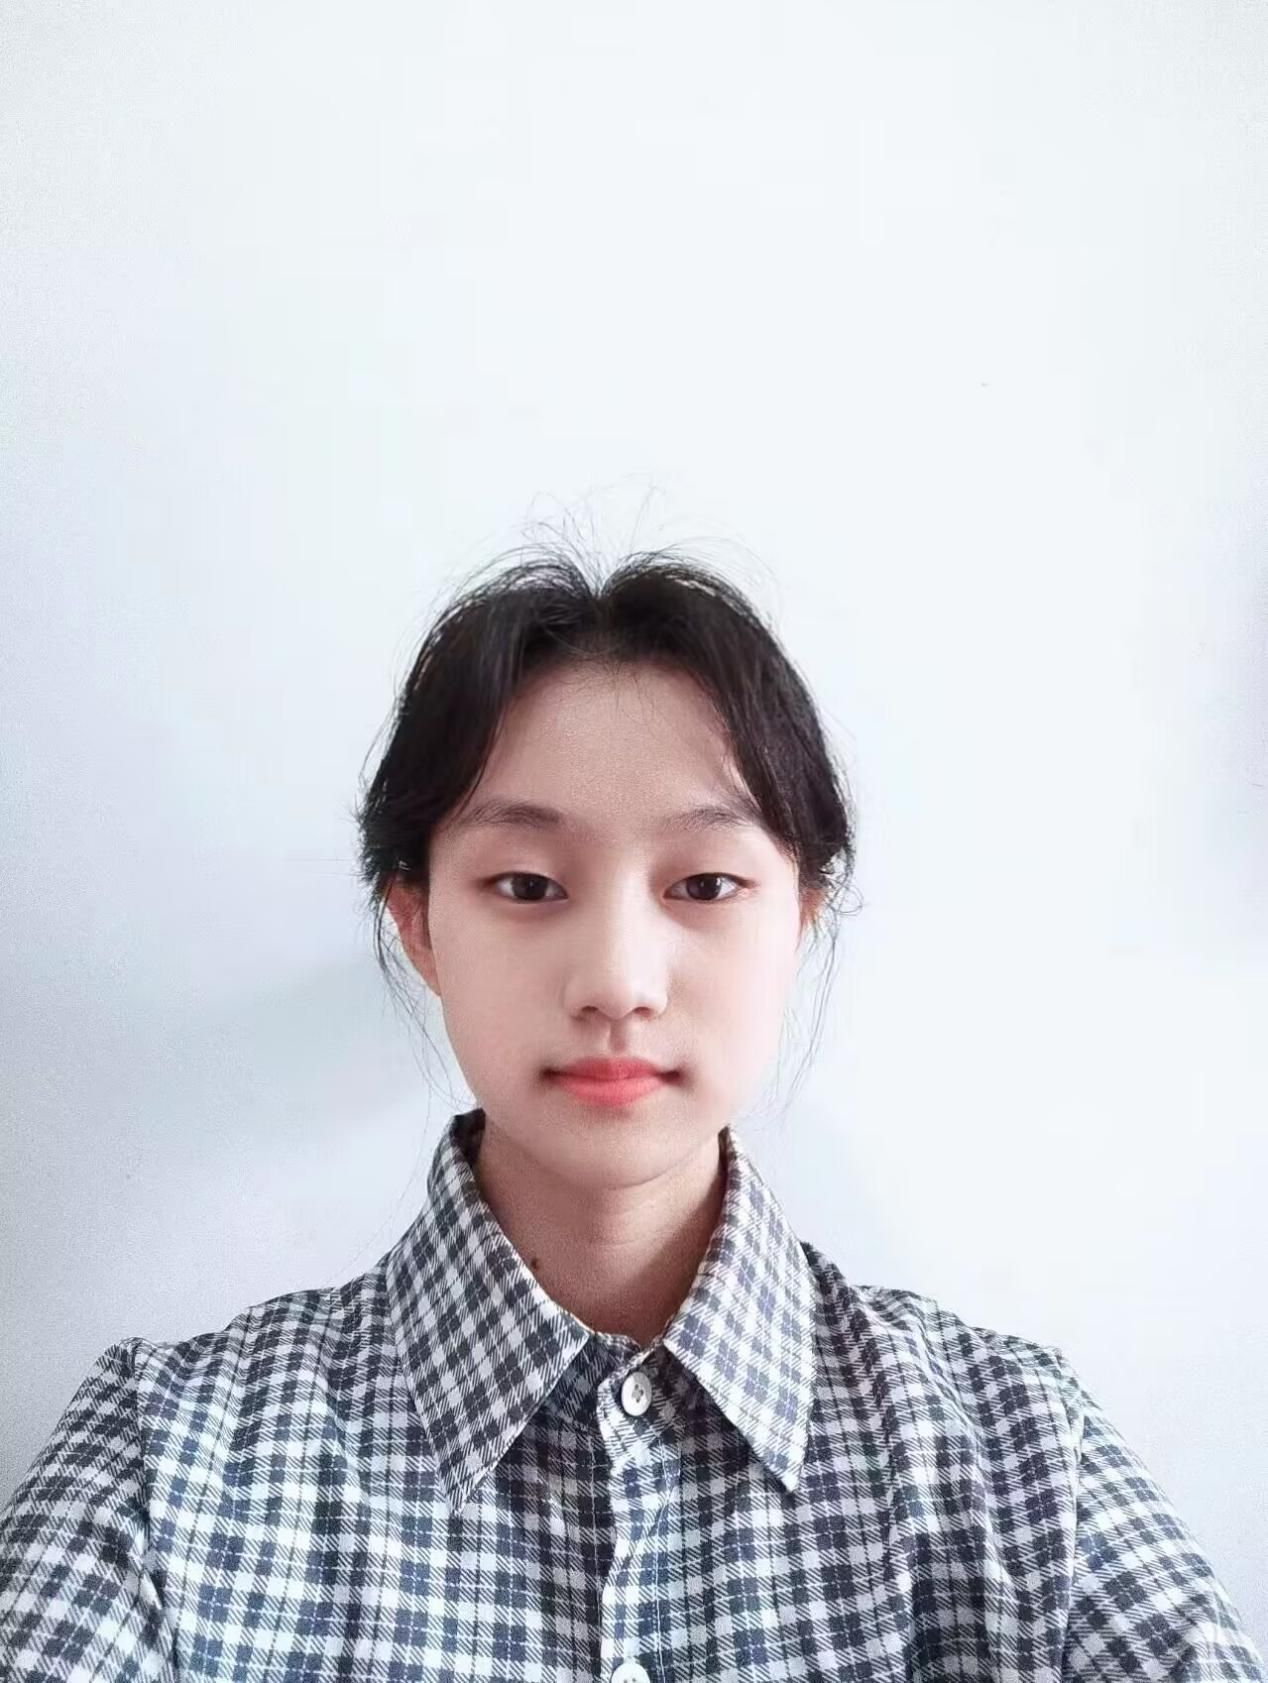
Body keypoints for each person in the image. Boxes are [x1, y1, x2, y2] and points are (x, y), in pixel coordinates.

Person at [1, 544, 1262, 1680]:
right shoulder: (171, 1460)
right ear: (418, 921)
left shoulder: (1019, 1456)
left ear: (797, 918)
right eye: (526, 883)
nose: (616, 979)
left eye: (703, 882)